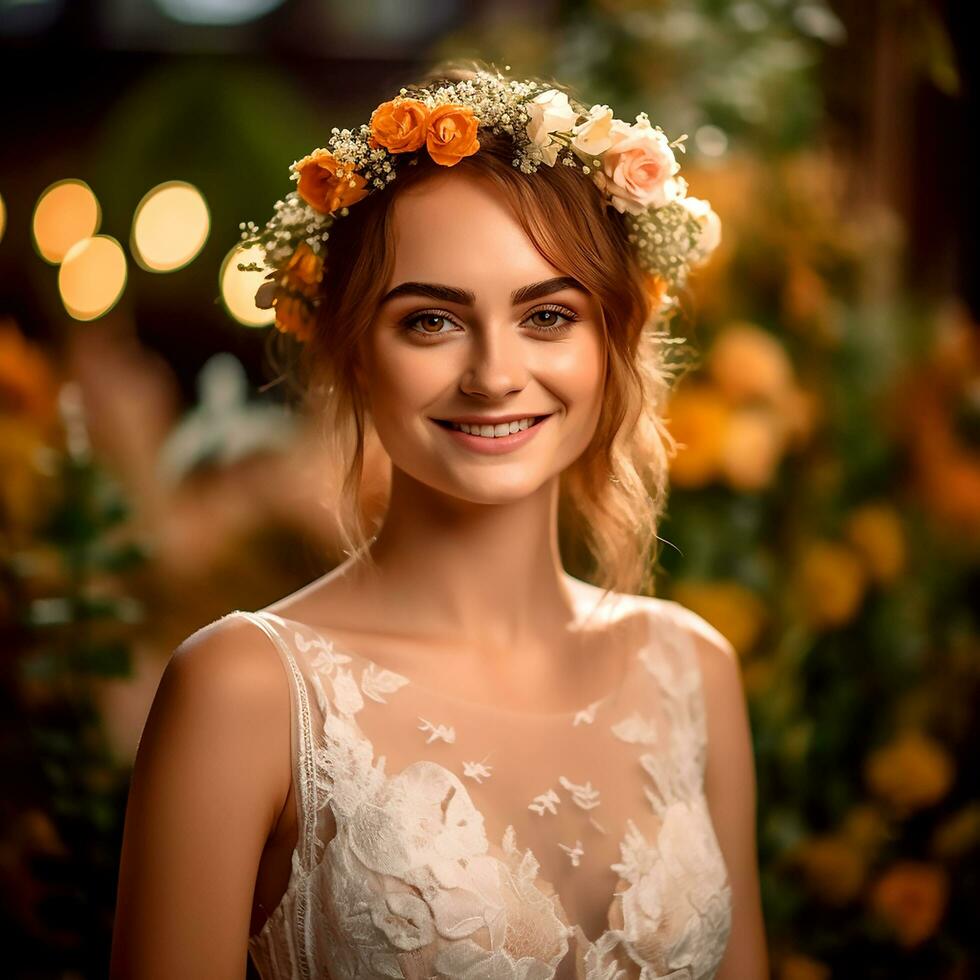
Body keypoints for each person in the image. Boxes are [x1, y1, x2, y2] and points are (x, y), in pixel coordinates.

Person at [109, 61, 767, 980]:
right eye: (431, 322)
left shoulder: (692, 671)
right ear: (351, 351)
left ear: (611, 343)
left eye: (547, 315)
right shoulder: (245, 691)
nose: (494, 374)